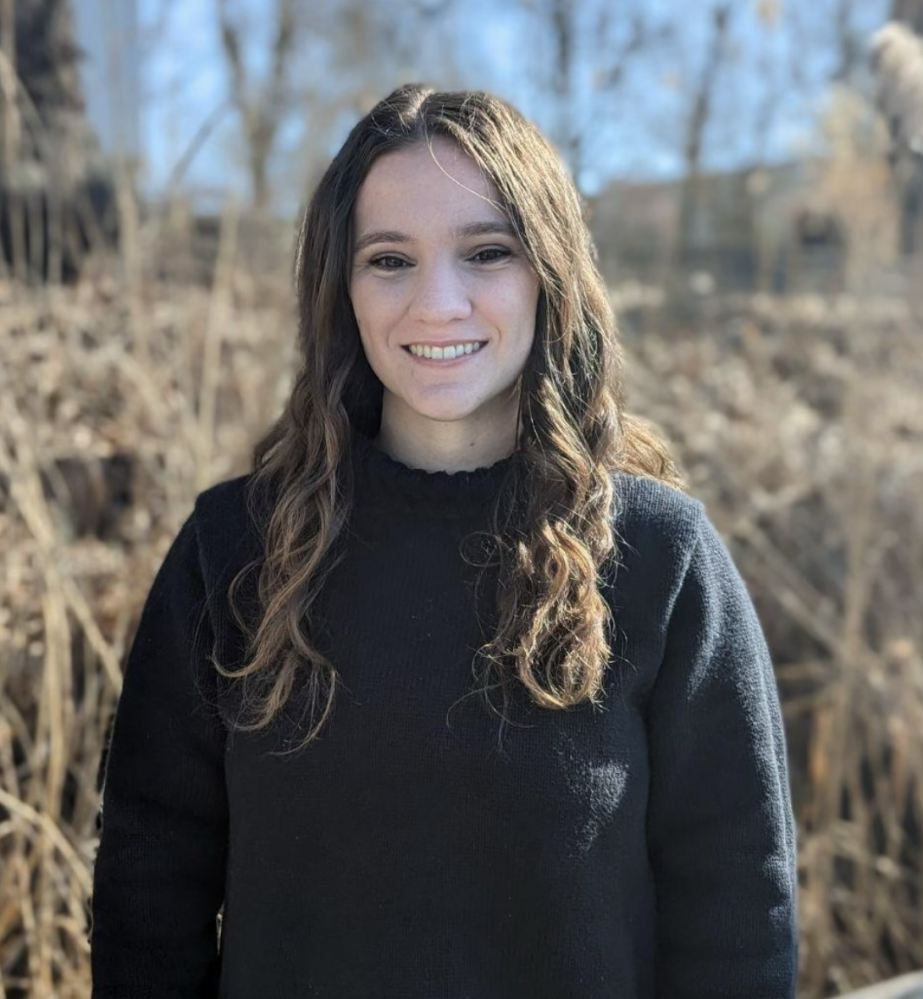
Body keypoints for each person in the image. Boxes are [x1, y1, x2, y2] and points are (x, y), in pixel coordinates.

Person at [89, 84, 798, 999]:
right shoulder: (234, 555)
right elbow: (148, 895)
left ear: (549, 271)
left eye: (486, 252)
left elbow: (739, 913)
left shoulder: (659, 561)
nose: (437, 302)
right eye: (389, 259)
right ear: (340, 288)